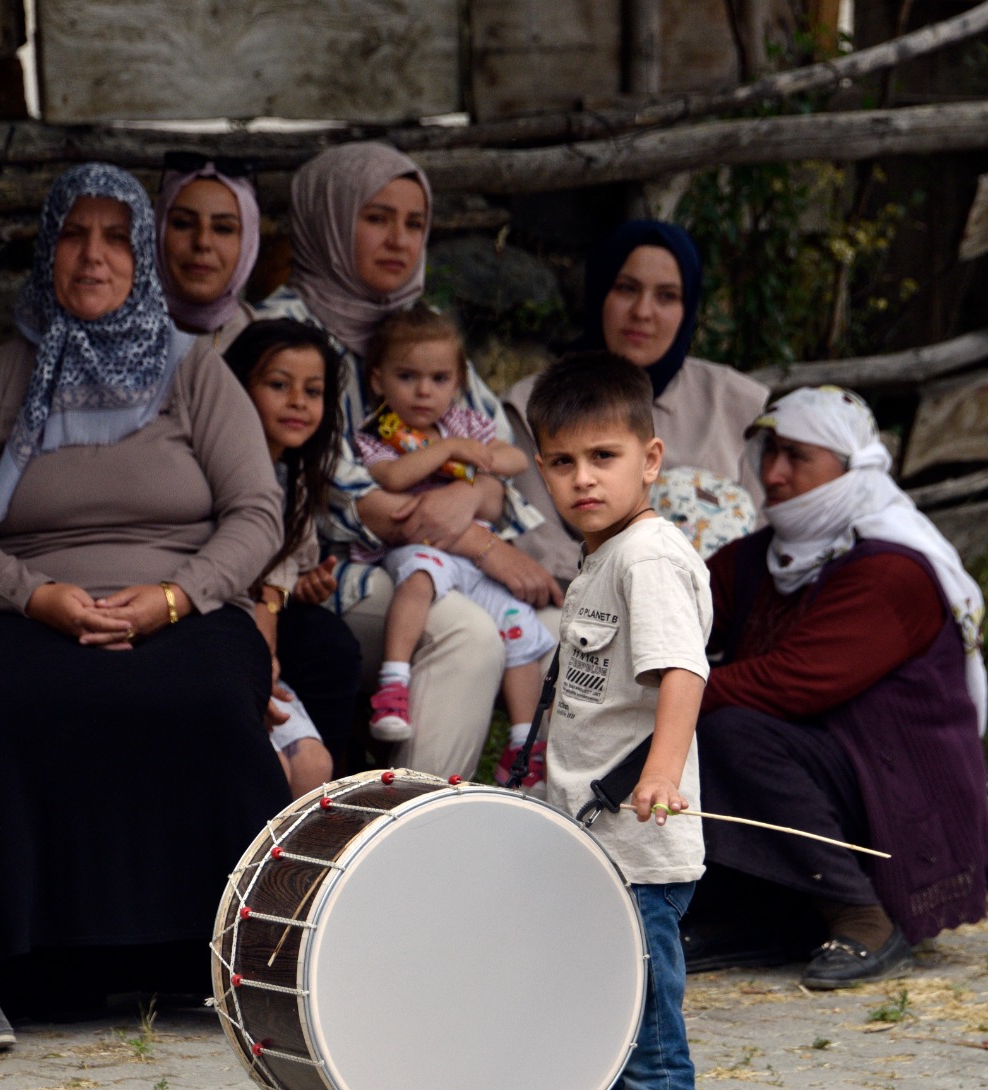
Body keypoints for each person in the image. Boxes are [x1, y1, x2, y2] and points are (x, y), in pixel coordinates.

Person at [0, 164, 289, 1052]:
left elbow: (256, 511)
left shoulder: (193, 371)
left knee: (203, 702)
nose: (94, 255)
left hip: (186, 607)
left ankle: (260, 960)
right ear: (49, 249)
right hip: (34, 606)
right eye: (75, 236)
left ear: (143, 254)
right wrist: (31, 595)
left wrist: (175, 596)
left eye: (116, 236)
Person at [492, 351, 709, 1090]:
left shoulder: (650, 557)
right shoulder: (600, 560)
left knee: (646, 1042)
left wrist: (663, 768)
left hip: (639, 849)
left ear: (651, 459)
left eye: (605, 457)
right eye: (563, 461)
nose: (584, 478)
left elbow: (682, 674)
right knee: (597, 1029)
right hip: (588, 848)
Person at [257, 142, 561, 777]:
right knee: (469, 636)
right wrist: (485, 544)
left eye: (415, 223)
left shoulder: (419, 329)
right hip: (326, 574)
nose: (399, 239)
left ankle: (519, 817)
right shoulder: (284, 332)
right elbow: (362, 505)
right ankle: (411, 832)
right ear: (331, 221)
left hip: (435, 562)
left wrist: (471, 498)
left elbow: (495, 478)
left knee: (572, 634)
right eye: (376, 218)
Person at [686, 386, 988, 989]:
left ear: (851, 468)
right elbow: (679, 620)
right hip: (819, 773)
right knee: (702, 724)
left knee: (725, 728)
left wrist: (668, 699)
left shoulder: (891, 571)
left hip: (893, 791)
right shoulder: (758, 558)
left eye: (796, 456)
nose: (773, 474)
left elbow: (791, 684)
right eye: (769, 452)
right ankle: (755, 918)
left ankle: (864, 913)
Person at [352, 308, 554, 785]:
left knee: (518, 627)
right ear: (379, 382)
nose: (425, 391)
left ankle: (524, 746)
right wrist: (444, 452)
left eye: (439, 378)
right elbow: (393, 478)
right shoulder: (383, 433)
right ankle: (393, 684)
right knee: (419, 580)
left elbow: (515, 458)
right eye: (408, 377)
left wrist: (481, 456)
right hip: (417, 547)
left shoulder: (465, 423)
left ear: (458, 381)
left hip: (469, 561)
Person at [505, 220, 770, 576]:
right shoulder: (532, 406)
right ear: (600, 292)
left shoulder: (737, 403)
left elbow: (767, 528)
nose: (643, 312)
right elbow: (538, 534)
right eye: (627, 288)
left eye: (666, 296)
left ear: (688, 307)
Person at [222, 318, 347, 796]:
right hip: (226, 634)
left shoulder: (292, 479)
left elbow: (291, 562)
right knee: (268, 766)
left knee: (314, 764)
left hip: (260, 641)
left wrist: (295, 586)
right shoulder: (216, 473)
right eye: (278, 385)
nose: (298, 402)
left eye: (312, 391)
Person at [154, 152, 260, 352]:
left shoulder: (268, 349)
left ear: (248, 244)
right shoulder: (115, 343)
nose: (202, 242)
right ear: (157, 233)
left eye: (223, 229)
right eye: (183, 224)